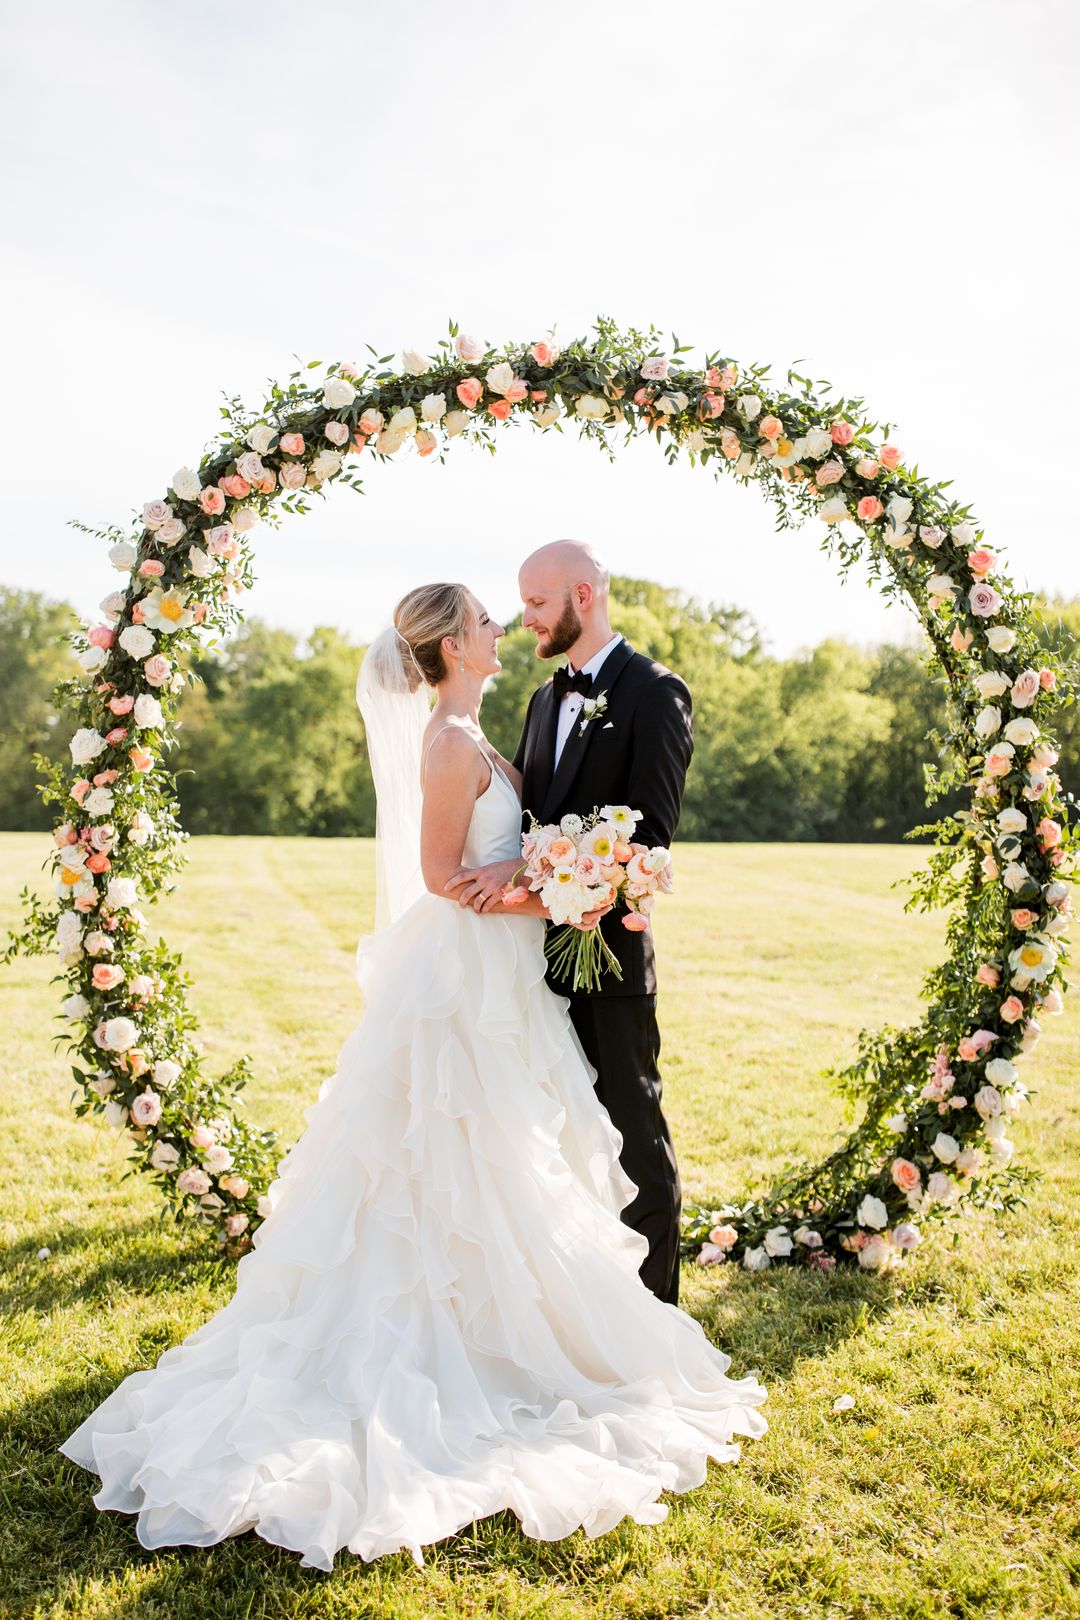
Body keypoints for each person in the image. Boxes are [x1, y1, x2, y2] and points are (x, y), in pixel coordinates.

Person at [58, 580, 766, 1573]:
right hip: (462, 984)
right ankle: (452, 1337)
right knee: (452, 1148)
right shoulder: (445, 742)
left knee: (507, 1153)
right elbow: (444, 877)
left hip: (502, 979)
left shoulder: (476, 732)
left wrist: (566, 873)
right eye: (483, 618)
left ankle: (507, 1316)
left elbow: (499, 859)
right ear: (449, 646)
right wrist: (558, 898)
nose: (498, 627)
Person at [445, 542, 691, 1305]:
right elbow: (529, 825)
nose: (523, 621)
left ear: (583, 596)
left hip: (609, 962)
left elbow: (645, 844)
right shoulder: (544, 698)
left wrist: (531, 885)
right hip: (529, 966)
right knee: (555, 1152)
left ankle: (656, 1323)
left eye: (537, 604)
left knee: (631, 1144)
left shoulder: (655, 692)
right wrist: (514, 877)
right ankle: (580, 1314)